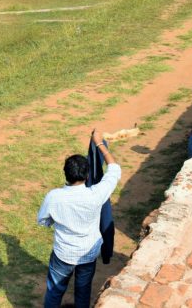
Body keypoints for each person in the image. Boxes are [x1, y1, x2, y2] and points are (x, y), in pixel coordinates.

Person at [37, 128, 121, 308]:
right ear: (88, 175)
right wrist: (99, 144)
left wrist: (56, 221)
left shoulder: (54, 196)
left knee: (54, 292)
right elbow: (114, 170)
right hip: (88, 253)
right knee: (83, 293)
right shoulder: (96, 194)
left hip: (63, 252)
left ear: (65, 174)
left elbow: (43, 220)